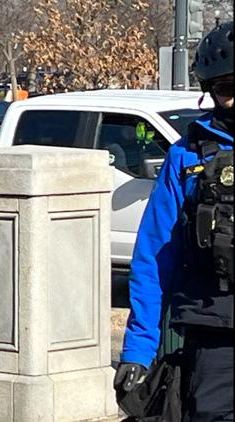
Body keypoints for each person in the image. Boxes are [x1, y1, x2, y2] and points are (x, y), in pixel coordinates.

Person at [114, 21, 233, 421]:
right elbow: (153, 258)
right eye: (227, 90)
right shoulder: (187, 157)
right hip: (213, 337)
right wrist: (138, 350)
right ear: (209, 92)